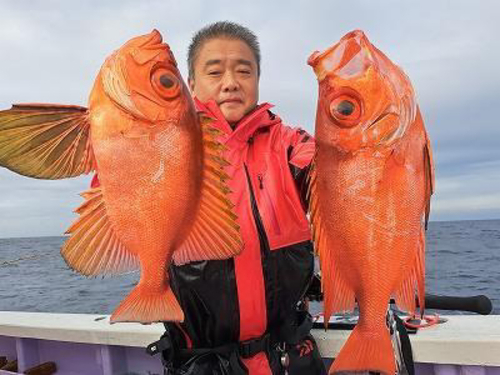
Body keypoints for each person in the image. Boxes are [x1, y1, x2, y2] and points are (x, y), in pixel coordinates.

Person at [148, 21, 327, 375]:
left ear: (258, 81)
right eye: (215, 71)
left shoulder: (290, 144)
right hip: (201, 363)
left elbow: (335, 172)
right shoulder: (163, 149)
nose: (230, 81)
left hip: (290, 357)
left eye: (244, 71)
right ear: (191, 83)